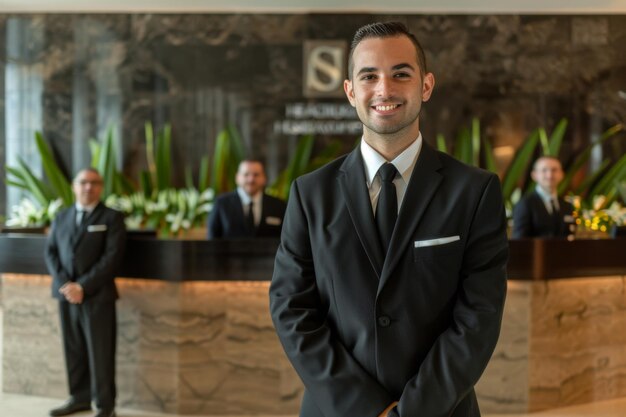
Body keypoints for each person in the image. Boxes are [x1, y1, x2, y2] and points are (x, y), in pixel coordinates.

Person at [269, 21, 509, 417]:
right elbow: (291, 309)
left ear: (426, 86)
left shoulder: (475, 192)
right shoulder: (309, 194)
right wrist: (367, 410)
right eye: (369, 76)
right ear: (350, 91)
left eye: (401, 73)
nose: (385, 89)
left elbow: (478, 319)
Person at [45, 168, 126, 417]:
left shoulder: (112, 218)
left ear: (101, 187)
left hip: (97, 295)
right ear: (73, 186)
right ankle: (78, 398)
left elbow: (112, 258)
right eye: (83, 182)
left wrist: (83, 286)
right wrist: (66, 286)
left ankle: (104, 405)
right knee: (73, 349)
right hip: (66, 296)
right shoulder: (62, 217)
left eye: (94, 183)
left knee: (100, 351)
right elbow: (51, 253)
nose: (88, 187)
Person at [207, 159, 286, 239]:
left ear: (264, 178)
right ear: (237, 177)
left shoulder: (279, 205)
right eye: (246, 174)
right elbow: (212, 239)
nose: (251, 179)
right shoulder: (221, 203)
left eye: (256, 175)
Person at [512, 156, 575, 238]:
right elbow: (519, 241)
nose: (550, 175)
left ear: (561, 174)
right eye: (544, 170)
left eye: (554, 170)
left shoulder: (567, 205)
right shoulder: (525, 204)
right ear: (534, 175)